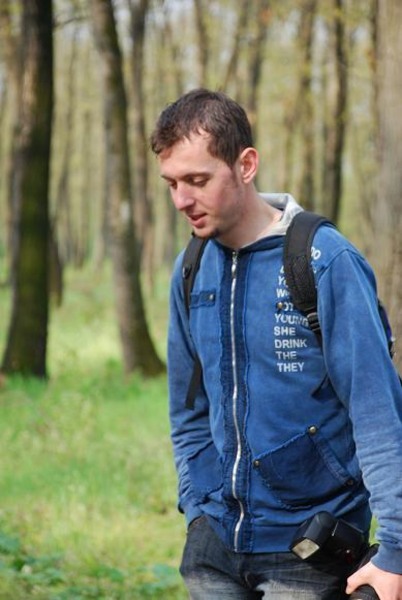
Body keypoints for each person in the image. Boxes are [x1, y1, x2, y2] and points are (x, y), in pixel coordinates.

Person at [150, 88, 402, 599]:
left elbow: (376, 410)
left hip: (306, 550)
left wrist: (396, 549)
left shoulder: (324, 261)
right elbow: (187, 409)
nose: (181, 200)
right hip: (214, 548)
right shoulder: (191, 269)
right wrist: (196, 507)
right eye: (172, 183)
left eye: (197, 180)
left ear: (246, 165)